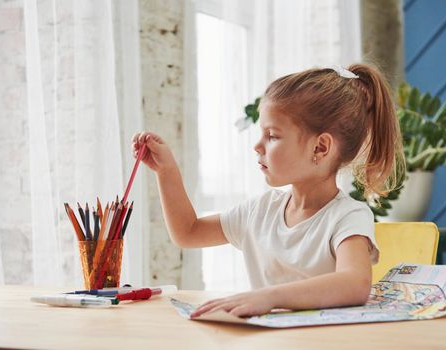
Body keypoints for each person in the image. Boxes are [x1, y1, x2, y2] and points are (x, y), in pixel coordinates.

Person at [132, 64, 405, 318]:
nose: (258, 145)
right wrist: (166, 171)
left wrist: (269, 297)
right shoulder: (260, 211)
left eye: (272, 135)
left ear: (320, 148)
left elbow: (354, 284)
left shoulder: (348, 216)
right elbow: (188, 232)